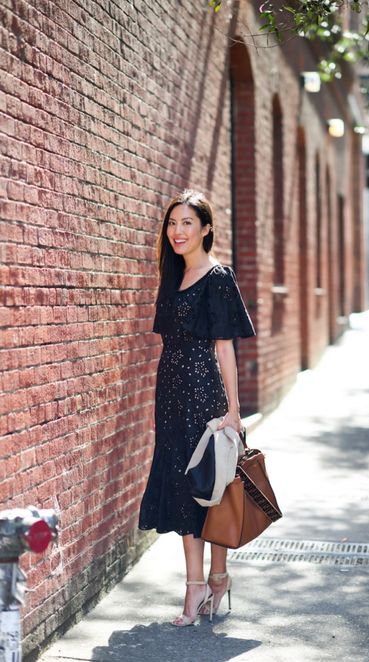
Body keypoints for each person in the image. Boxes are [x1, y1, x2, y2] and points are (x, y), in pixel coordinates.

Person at [138, 189, 255, 627]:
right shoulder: (171, 277)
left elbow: (224, 348)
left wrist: (234, 412)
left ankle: (218, 575)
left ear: (205, 228)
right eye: (172, 223)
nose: (177, 231)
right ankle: (196, 586)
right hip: (170, 396)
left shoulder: (218, 277)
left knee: (214, 484)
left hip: (206, 395)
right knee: (185, 490)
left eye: (187, 223)